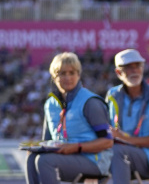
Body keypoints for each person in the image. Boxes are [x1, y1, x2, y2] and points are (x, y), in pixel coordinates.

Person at [25, 52, 113, 183]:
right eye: (62, 73)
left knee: (45, 161)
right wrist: (36, 147)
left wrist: (76, 147)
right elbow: (47, 140)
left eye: (72, 73)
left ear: (78, 75)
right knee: (32, 157)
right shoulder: (50, 104)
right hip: (65, 158)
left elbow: (107, 142)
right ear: (54, 77)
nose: (68, 77)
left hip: (94, 160)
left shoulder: (90, 102)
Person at [106, 49, 149, 183]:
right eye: (129, 68)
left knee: (118, 151)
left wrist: (124, 139)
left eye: (137, 66)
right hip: (120, 154)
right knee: (92, 152)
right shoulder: (112, 95)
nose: (135, 71)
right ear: (118, 73)